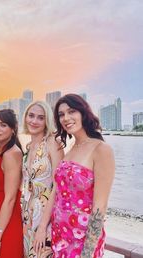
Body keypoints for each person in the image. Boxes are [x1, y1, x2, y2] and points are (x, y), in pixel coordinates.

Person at [51, 94, 115, 257]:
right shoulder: (72, 148)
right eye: (61, 114)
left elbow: (100, 207)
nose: (66, 118)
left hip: (83, 241)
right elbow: (59, 192)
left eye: (71, 111)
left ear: (83, 113)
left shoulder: (101, 149)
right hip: (60, 236)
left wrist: (87, 253)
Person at [22, 101, 64, 258]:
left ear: (47, 121)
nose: (34, 121)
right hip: (27, 213)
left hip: (46, 215)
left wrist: (43, 227)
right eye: (31, 115)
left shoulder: (53, 142)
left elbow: (59, 186)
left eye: (40, 117)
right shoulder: (29, 146)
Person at [0, 109, 23, 258]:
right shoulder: (3, 152)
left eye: (3, 125)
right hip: (0, 218)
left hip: (8, 222)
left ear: (13, 129)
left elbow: (10, 198)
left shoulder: (11, 154)